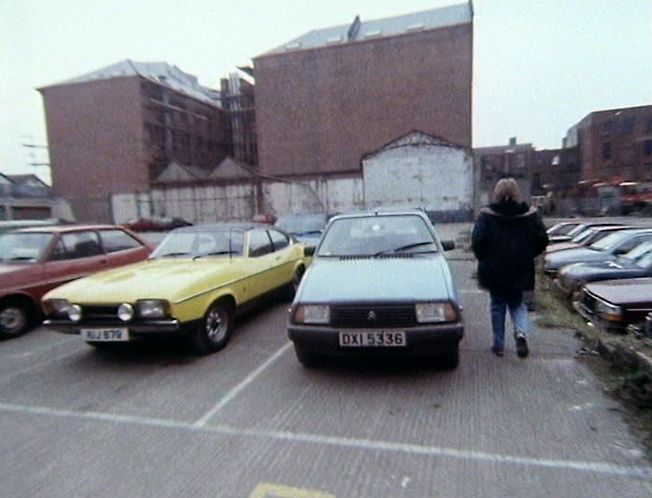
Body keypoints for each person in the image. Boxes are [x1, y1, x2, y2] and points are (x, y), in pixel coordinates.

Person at [471, 178, 548, 358]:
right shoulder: (530, 214)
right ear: (516, 193)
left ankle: (499, 345)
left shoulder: (487, 215)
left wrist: (484, 257)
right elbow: (542, 240)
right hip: (521, 268)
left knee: (497, 305)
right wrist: (530, 253)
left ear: (497, 193)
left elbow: (478, 241)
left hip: (494, 268)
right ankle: (521, 333)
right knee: (518, 304)